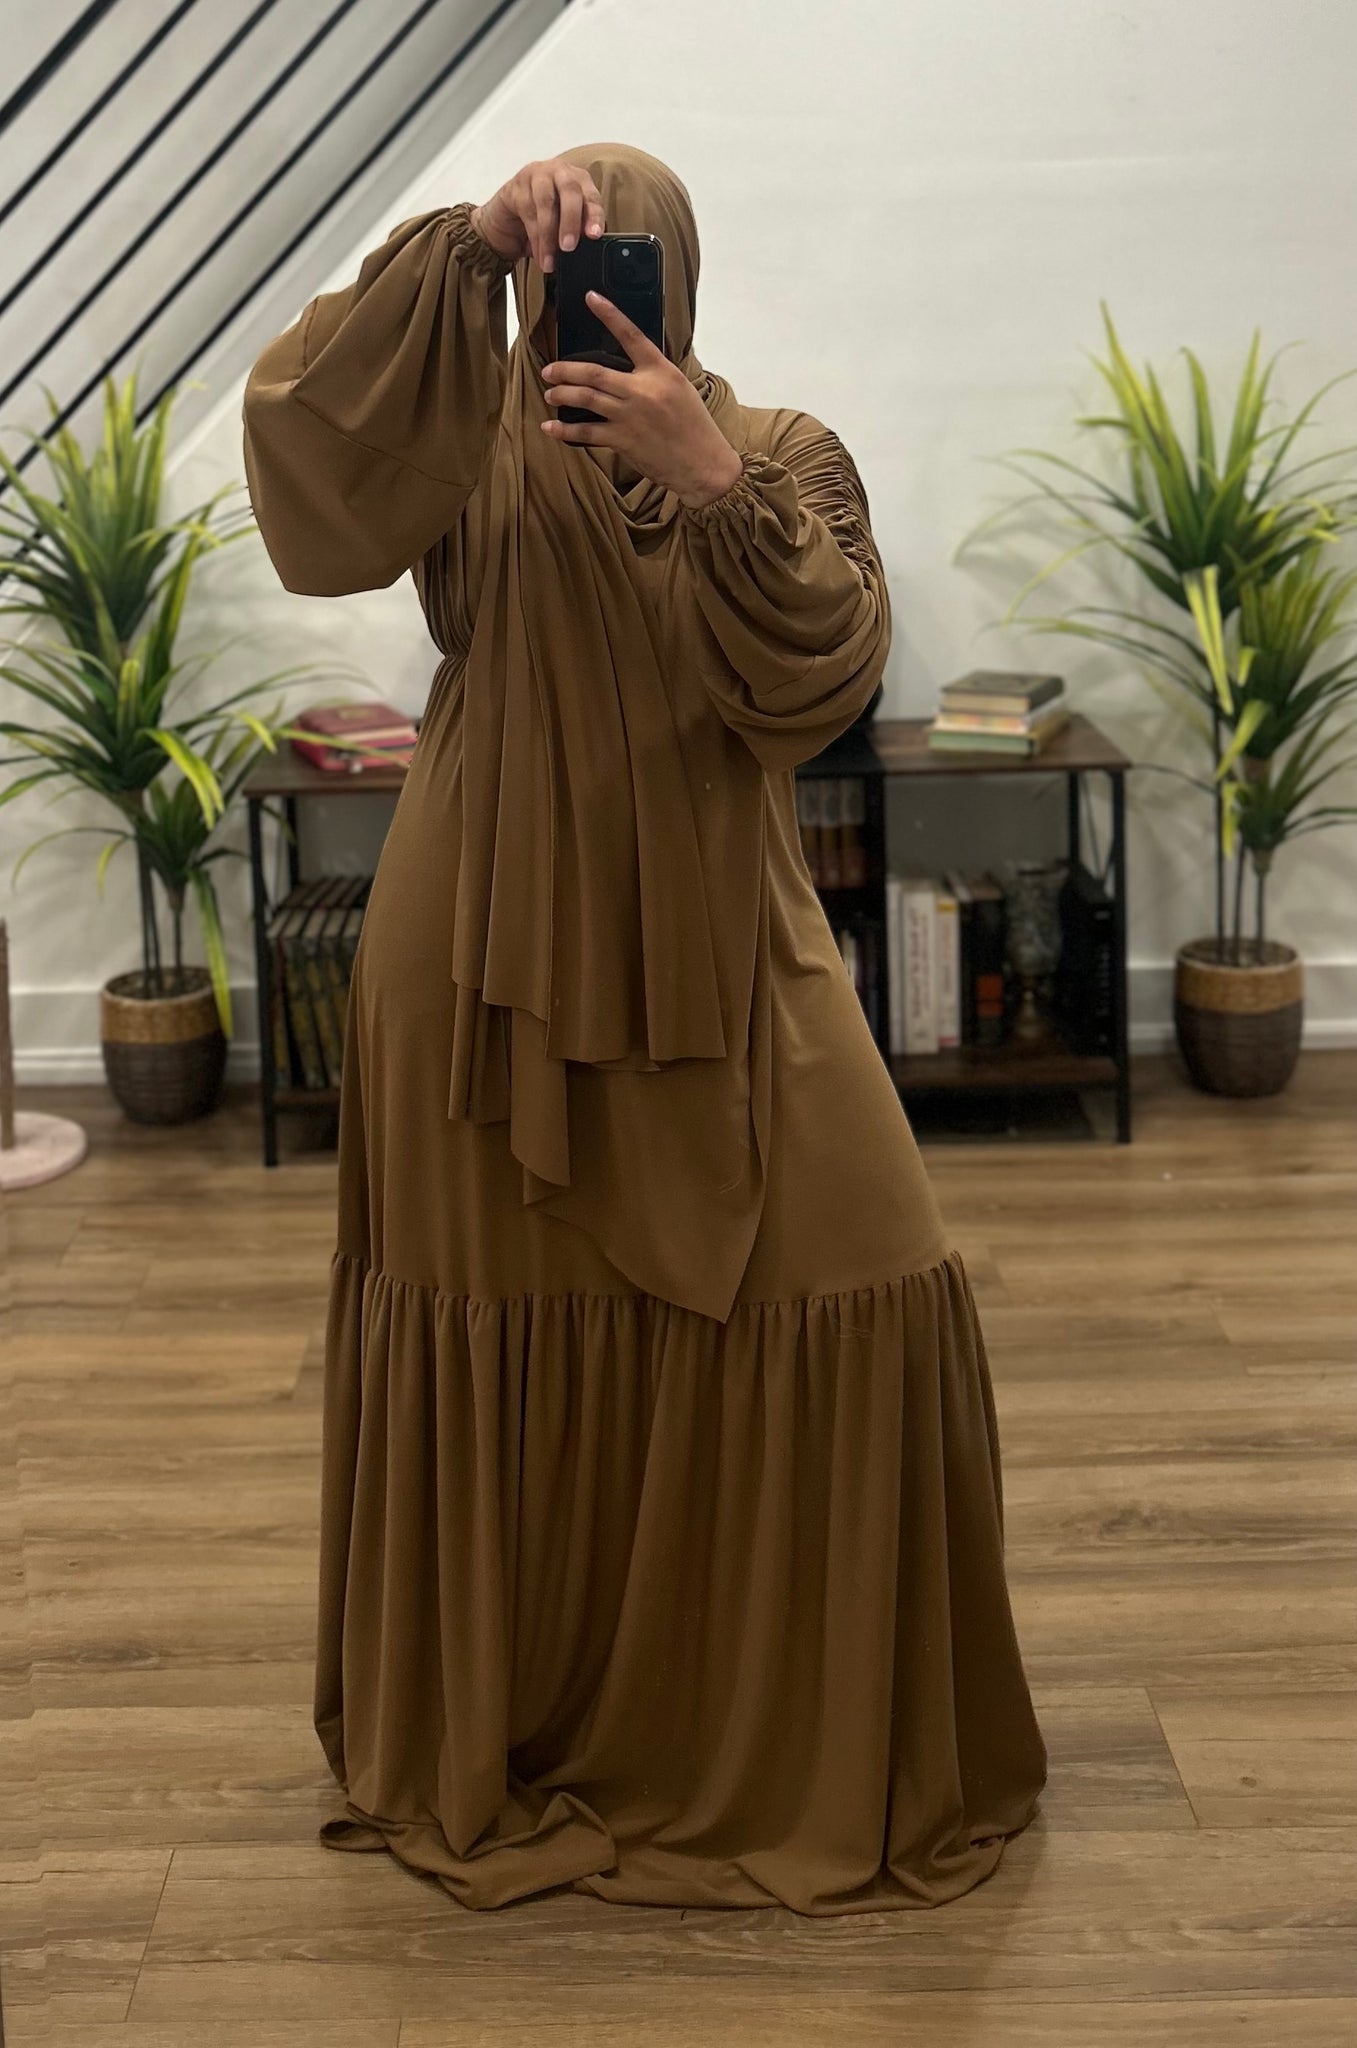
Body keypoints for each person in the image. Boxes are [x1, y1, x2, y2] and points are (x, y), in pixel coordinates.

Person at [241, 140, 1047, 1915]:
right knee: (494, 1312)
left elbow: (820, 681)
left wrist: (710, 481)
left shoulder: (783, 451)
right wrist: (455, 253)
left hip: (724, 928)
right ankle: (513, 1721)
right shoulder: (465, 441)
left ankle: (773, 1738)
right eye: (561, 261)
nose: (586, 291)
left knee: (865, 1266)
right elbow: (303, 454)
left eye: (617, 259)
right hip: (475, 953)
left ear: (674, 271)